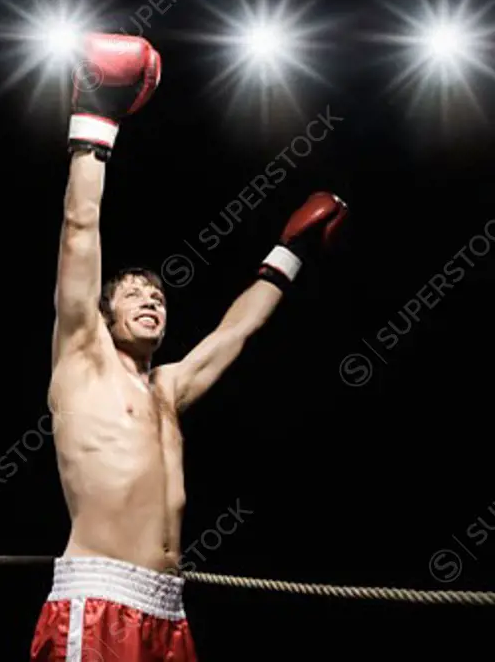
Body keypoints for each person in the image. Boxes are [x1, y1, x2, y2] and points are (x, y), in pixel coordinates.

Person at [30, 33, 348, 662]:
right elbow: (79, 233)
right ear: (102, 312)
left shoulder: (167, 389)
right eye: (135, 294)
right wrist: (94, 122)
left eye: (160, 297)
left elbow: (236, 332)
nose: (152, 301)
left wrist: (291, 252)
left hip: (167, 611)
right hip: (97, 605)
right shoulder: (81, 358)